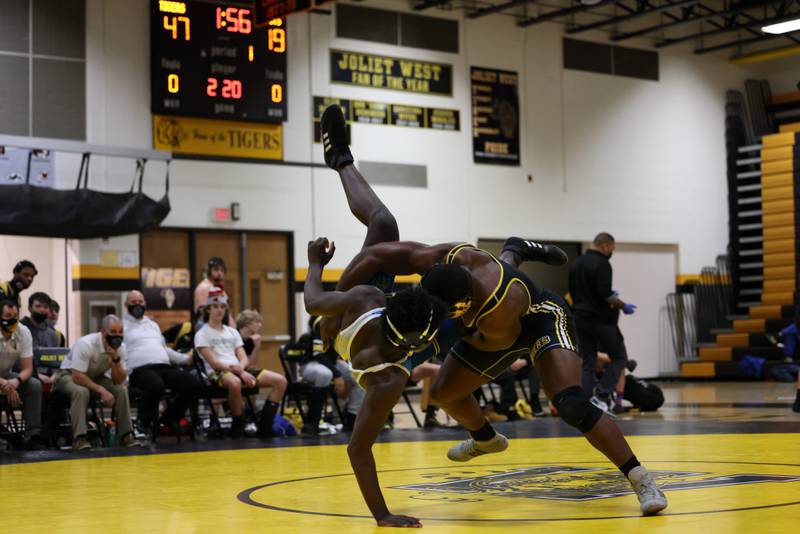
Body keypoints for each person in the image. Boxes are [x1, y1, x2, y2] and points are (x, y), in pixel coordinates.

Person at [329, 229, 666, 513]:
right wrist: (335, 305)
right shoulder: (446, 257)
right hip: (489, 320)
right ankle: (486, 439)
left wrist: (424, 348)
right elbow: (373, 256)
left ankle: (640, 478)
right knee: (446, 392)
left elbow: (499, 346)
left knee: (569, 402)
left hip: (539, 319)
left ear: (459, 307)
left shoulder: (497, 308)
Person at [194, 288, 287, 438]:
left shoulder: (232, 332)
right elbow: (214, 363)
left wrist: (242, 368)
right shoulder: (202, 334)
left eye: (223, 307)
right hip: (217, 373)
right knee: (235, 383)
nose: (220, 310)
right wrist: (241, 371)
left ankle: (264, 426)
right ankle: (238, 426)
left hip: (238, 369)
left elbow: (243, 357)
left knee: (280, 381)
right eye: (216, 307)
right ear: (208, 310)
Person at [568, 232, 636, 413]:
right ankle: (601, 395)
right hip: (600, 320)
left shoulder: (576, 263)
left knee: (588, 361)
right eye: (611, 249)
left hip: (580, 319)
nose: (611, 252)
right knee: (620, 357)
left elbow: (573, 293)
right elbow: (606, 294)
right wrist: (623, 305)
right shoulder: (603, 264)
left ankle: (585, 402)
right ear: (605, 246)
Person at [123, 290, 203, 436]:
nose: (137, 305)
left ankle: (168, 419)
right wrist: (123, 377)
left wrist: (185, 359)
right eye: (133, 303)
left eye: (140, 302)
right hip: (140, 370)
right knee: (156, 385)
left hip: (163, 367)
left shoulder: (152, 325)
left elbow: (164, 349)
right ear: (126, 305)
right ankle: (143, 421)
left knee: (193, 383)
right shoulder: (121, 326)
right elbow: (117, 353)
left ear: (145, 304)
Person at [55, 315, 141, 450]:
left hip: (95, 376)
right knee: (81, 391)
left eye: (120, 332)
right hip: (68, 375)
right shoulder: (86, 344)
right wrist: (102, 390)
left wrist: (115, 359)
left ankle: (126, 435)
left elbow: (119, 380)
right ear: (103, 332)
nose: (117, 336)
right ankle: (79, 438)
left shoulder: (121, 348)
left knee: (121, 390)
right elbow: (77, 376)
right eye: (112, 332)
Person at [0, 300, 45, 449]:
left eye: (15, 316)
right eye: (8, 315)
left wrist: (16, 382)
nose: (12, 319)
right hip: (3, 380)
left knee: (34, 385)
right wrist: (5, 385)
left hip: (7, 376)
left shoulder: (23, 331)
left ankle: (32, 436)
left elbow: (27, 368)